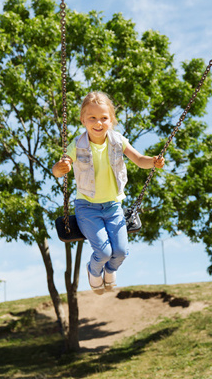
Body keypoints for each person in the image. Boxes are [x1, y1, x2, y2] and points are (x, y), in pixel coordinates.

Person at [52, 91, 165, 295]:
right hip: (87, 207)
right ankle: (94, 272)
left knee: (120, 252)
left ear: (111, 120)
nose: (98, 123)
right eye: (92, 118)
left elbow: (139, 159)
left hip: (113, 207)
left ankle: (110, 271)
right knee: (103, 252)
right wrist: (60, 168)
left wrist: (153, 161)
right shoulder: (77, 145)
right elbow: (59, 167)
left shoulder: (118, 141)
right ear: (83, 120)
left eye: (104, 118)